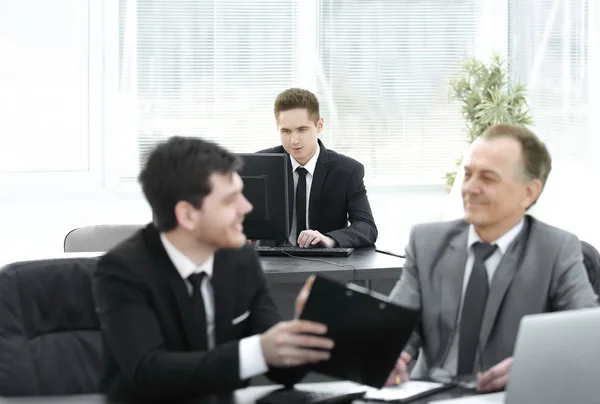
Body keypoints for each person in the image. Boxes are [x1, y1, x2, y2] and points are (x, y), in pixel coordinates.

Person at [93, 136, 334, 402]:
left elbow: (283, 373)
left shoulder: (239, 260)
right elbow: (149, 371)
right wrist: (257, 352)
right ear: (187, 215)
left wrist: (301, 334)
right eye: (230, 200)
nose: (247, 207)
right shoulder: (123, 270)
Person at [386, 124, 599, 392]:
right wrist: (393, 355)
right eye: (468, 175)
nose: (470, 188)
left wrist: (530, 367)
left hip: (508, 395)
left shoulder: (556, 249)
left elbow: (588, 338)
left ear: (529, 192)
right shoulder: (427, 242)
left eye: (488, 178)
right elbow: (396, 324)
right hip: (428, 392)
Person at [257, 88, 377, 248]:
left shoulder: (348, 171)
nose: (294, 140)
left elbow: (366, 227)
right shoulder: (261, 165)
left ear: (319, 125)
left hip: (324, 263)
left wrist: (330, 239)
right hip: (271, 264)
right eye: (286, 131)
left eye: (302, 130)